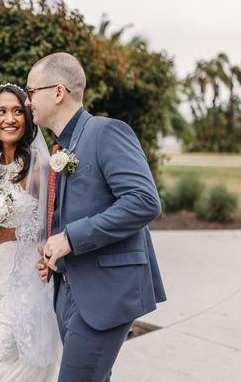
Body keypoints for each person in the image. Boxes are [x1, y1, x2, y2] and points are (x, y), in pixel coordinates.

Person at [27, 53, 167, 382]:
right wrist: (54, 254)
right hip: (69, 291)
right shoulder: (59, 148)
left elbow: (144, 201)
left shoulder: (107, 133)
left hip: (105, 294)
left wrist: (70, 239)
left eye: (31, 91)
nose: (27, 100)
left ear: (57, 92)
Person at [0, 83, 61, 382]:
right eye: (1, 112)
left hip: (31, 277)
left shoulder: (38, 166)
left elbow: (47, 228)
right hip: (1, 279)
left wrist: (6, 235)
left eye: (16, 111)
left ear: (27, 117)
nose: (9, 119)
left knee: (23, 362)